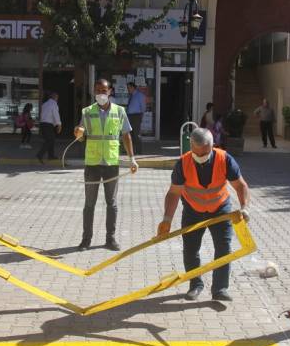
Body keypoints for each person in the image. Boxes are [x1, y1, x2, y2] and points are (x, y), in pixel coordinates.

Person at [156, 128, 250, 302]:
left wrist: (244, 207)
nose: (201, 157)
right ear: (190, 147)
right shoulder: (183, 163)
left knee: (223, 248)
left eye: (205, 153)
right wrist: (167, 220)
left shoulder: (224, 159)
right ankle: (195, 285)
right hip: (193, 210)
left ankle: (220, 289)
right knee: (191, 250)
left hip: (220, 209)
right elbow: (174, 193)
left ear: (212, 146)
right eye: (196, 153)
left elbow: (240, 185)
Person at [74, 78, 139, 251]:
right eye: (97, 90)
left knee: (112, 203)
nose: (100, 94)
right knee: (89, 204)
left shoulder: (119, 111)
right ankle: (86, 240)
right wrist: (78, 133)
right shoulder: (87, 112)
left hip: (111, 163)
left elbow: (126, 136)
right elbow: (81, 137)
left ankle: (110, 239)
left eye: (103, 90)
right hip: (92, 164)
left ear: (110, 91)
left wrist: (132, 158)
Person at [37, 92, 62, 163]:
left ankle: (51, 155)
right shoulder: (54, 104)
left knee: (51, 140)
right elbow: (55, 114)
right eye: (57, 98)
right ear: (55, 97)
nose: (57, 99)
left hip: (43, 124)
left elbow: (45, 114)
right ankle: (40, 154)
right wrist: (59, 124)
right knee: (50, 140)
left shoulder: (45, 104)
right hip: (48, 124)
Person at [126, 82, 146, 155]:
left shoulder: (139, 95)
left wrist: (141, 116)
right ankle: (131, 150)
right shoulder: (131, 96)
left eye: (129, 88)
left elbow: (143, 107)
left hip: (136, 116)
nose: (128, 89)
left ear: (133, 87)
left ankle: (138, 151)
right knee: (130, 134)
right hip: (130, 116)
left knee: (136, 134)